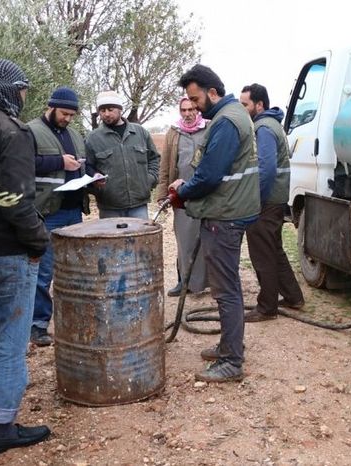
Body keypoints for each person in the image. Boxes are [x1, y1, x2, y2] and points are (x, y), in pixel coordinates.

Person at [169, 65, 267, 382]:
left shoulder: (225, 122)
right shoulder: (236, 115)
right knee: (229, 287)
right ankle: (229, 346)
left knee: (226, 291)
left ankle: (231, 361)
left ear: (212, 92)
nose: (195, 106)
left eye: (196, 99)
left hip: (224, 216)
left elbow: (210, 176)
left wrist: (183, 191)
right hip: (232, 211)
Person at [0, 58, 52, 454]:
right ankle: (1, 427)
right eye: (22, 90)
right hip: (7, 252)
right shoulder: (11, 132)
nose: (25, 97)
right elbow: (12, 200)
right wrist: (38, 240)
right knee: (9, 342)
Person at [27, 86, 87, 346]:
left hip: (74, 212)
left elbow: (82, 163)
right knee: (44, 273)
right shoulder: (30, 131)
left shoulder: (74, 134)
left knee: (75, 270)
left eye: (72, 115)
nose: (67, 119)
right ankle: (38, 325)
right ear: (50, 107)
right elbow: (24, 163)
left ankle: (73, 320)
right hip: (47, 213)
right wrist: (59, 162)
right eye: (64, 113)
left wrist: (92, 177)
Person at [239, 84, 304, 322]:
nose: (242, 109)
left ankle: (267, 308)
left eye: (245, 104)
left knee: (262, 253)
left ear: (259, 105)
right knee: (274, 249)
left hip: (265, 202)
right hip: (276, 199)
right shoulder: (273, 124)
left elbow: (265, 170)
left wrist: (255, 199)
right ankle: (294, 297)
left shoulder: (263, 128)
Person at [155, 97, 209, 297]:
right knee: (184, 241)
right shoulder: (174, 132)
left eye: (191, 109)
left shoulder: (209, 128)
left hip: (207, 193)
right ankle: (184, 282)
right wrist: (162, 193)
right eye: (183, 110)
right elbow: (165, 166)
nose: (187, 114)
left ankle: (207, 283)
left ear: (198, 110)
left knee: (207, 240)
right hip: (182, 196)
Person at [85, 90, 160, 219]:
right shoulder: (93, 138)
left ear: (120, 109)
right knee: (111, 234)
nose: (106, 114)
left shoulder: (140, 133)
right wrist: (96, 181)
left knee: (140, 233)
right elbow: (87, 166)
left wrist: (149, 180)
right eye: (102, 111)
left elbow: (154, 159)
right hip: (109, 207)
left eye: (110, 109)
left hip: (139, 205)